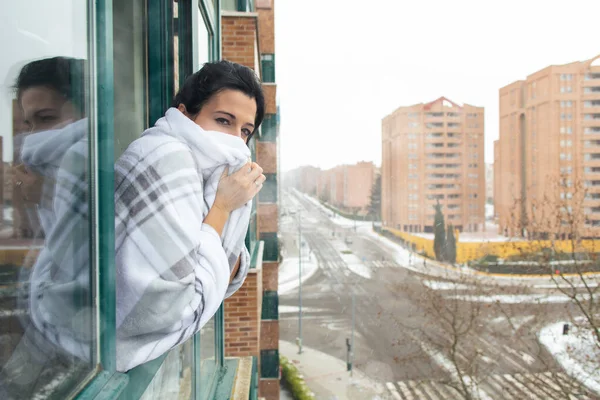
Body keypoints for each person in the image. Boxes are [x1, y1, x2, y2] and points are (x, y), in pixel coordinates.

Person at [114, 60, 266, 371]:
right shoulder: (165, 156)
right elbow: (160, 309)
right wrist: (222, 209)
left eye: (246, 131)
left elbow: (220, 274)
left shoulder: (204, 175)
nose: (237, 141)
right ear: (184, 114)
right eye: (224, 121)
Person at [1, 56, 91, 399]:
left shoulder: (88, 163)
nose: (33, 141)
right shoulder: (48, 176)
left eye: (47, 119)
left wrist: (49, 194)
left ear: (85, 114)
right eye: (28, 124)